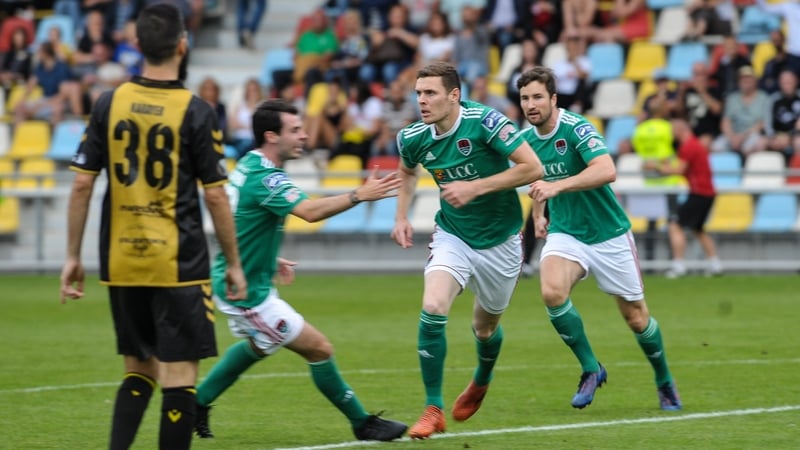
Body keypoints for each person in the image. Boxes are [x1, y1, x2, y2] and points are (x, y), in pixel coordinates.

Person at [58, 4, 248, 450]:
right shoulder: (197, 110)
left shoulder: (109, 102)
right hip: (177, 262)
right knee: (179, 378)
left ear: (138, 44)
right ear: (183, 45)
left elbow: (82, 186)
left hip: (122, 260)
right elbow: (217, 194)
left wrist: (72, 256)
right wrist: (234, 262)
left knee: (137, 368)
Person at [193, 99, 408, 443]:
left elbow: (237, 219)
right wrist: (359, 195)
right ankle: (362, 423)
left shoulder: (249, 164)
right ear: (271, 136)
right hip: (246, 291)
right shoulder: (266, 177)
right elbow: (308, 211)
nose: (304, 136)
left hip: (244, 277)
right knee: (319, 349)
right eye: (295, 130)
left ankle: (198, 402)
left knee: (260, 345)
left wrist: (264, 258)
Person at [391, 61, 544, 439]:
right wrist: (400, 216)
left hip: (502, 241)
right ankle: (432, 408)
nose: (422, 101)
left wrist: (475, 187)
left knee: (485, 327)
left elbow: (532, 168)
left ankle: (481, 378)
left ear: (454, 95)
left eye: (431, 93)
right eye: (419, 93)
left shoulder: (487, 123)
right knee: (432, 307)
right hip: (453, 235)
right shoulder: (412, 137)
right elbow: (407, 172)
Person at [516, 66, 682, 411]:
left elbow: (607, 170)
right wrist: (537, 215)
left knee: (636, 318)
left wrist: (557, 186)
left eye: (537, 97)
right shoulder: (527, 142)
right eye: (524, 98)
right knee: (551, 292)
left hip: (609, 234)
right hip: (566, 232)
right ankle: (591, 368)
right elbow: (536, 182)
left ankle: (664, 379)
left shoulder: (576, 128)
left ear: (553, 99)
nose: (530, 105)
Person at [644, 118, 722, 278]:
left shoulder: (689, 146)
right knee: (698, 229)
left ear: (679, 130)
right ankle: (715, 264)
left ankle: (679, 265)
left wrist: (656, 166)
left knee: (675, 224)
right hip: (706, 192)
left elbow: (679, 170)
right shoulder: (693, 145)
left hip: (699, 192)